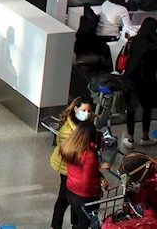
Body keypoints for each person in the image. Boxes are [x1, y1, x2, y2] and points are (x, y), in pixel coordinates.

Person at [122, 18, 157, 148]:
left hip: (131, 79)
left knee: (130, 109)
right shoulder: (156, 44)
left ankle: (130, 139)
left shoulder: (134, 40)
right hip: (148, 81)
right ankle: (145, 137)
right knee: (147, 109)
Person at [50, 97, 96, 229]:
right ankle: (56, 225)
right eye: (84, 110)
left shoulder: (86, 122)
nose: (86, 113)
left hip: (77, 166)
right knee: (64, 197)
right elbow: (70, 152)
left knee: (74, 197)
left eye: (89, 111)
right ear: (76, 109)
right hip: (66, 166)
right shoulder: (66, 131)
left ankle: (75, 223)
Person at [60, 118, 108, 229]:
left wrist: (99, 175)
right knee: (84, 224)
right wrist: (97, 190)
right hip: (85, 197)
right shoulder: (89, 155)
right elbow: (86, 184)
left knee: (77, 221)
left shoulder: (70, 147)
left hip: (71, 191)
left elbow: (78, 171)